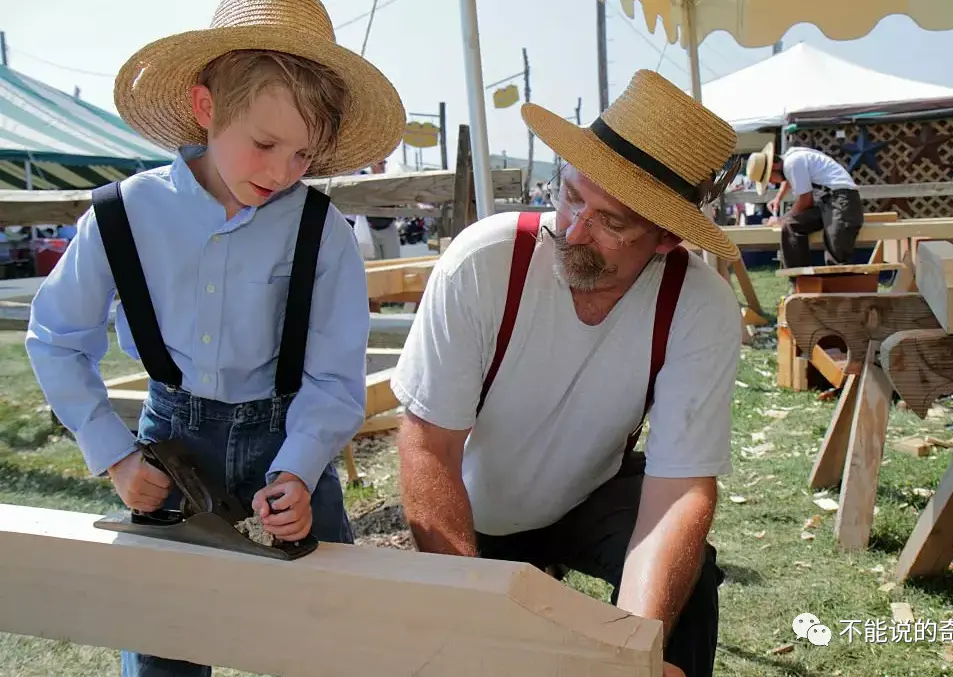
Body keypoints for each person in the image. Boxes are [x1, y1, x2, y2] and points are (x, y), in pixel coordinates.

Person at [24, 1, 404, 675]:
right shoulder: (126, 213)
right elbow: (56, 337)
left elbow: (333, 377)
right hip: (173, 446)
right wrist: (111, 453)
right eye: (264, 144)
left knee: (325, 639)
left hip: (289, 443)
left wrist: (298, 468)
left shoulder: (323, 233)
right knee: (165, 642)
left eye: (303, 154)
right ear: (206, 106)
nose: (284, 170)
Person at [392, 69, 743, 677]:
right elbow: (429, 445)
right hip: (475, 509)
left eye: (611, 222)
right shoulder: (484, 264)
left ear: (664, 240)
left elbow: (680, 490)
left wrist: (631, 651)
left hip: (590, 497)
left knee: (691, 583)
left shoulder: (698, 305)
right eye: (573, 196)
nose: (574, 232)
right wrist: (471, 606)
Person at [745, 142, 864, 268]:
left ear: (774, 166)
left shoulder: (793, 163)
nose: (771, 182)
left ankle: (840, 284)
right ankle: (800, 279)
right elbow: (791, 179)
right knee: (791, 226)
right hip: (828, 200)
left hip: (843, 199)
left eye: (769, 178)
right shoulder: (790, 160)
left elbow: (805, 201)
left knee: (836, 249)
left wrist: (780, 219)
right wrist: (778, 198)